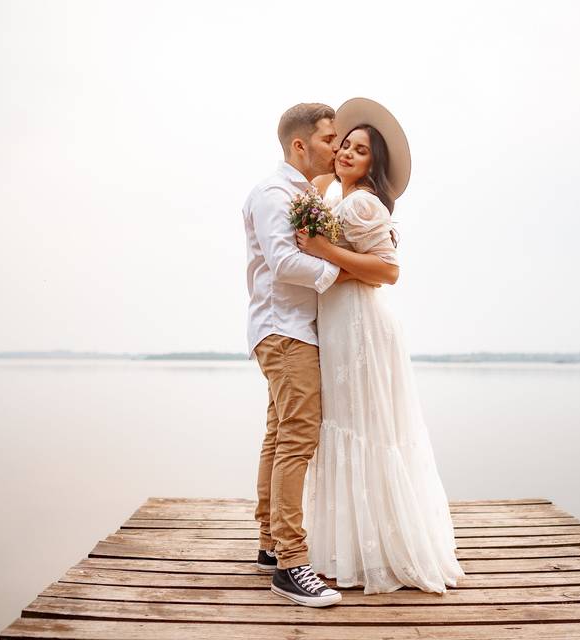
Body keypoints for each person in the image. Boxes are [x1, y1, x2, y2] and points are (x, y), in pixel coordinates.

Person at [297, 98, 466, 595]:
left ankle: (382, 551)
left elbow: (389, 271)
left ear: (375, 163)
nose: (347, 153)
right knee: (346, 426)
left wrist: (325, 252)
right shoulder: (336, 197)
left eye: (360, 150)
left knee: (368, 428)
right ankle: (349, 549)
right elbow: (345, 257)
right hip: (340, 326)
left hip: (364, 327)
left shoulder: (364, 203)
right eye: (345, 145)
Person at [242, 102, 384, 607]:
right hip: (286, 330)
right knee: (298, 437)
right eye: (329, 139)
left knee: (281, 432)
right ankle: (291, 564)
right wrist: (342, 273)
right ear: (300, 145)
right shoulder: (272, 194)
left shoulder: (306, 194)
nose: (336, 147)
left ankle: (269, 544)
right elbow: (282, 261)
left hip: (297, 330)